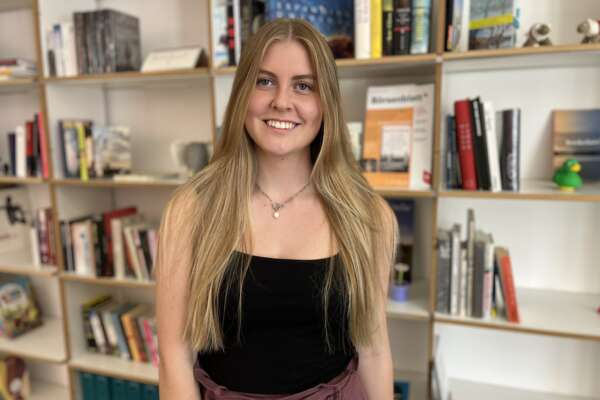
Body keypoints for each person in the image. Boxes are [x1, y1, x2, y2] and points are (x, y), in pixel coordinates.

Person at [156, 18, 398, 400]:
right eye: (265, 81)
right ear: (242, 94)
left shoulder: (369, 216)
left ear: (326, 104)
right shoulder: (191, 210)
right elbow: (174, 355)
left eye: (304, 86)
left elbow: (375, 350)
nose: (282, 101)